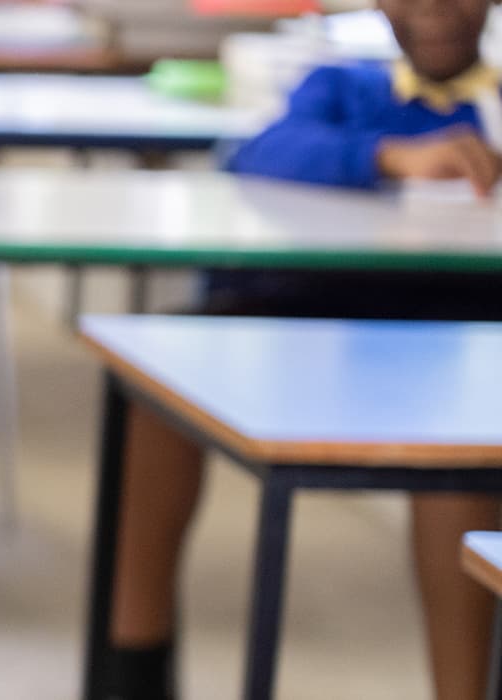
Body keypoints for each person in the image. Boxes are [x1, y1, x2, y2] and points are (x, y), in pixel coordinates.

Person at [107, 1, 502, 698]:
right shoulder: (346, 85)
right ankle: (135, 661)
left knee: (463, 449)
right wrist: (388, 155)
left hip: (461, 329)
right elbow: (260, 152)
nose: (436, 13)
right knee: (161, 369)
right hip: (321, 315)